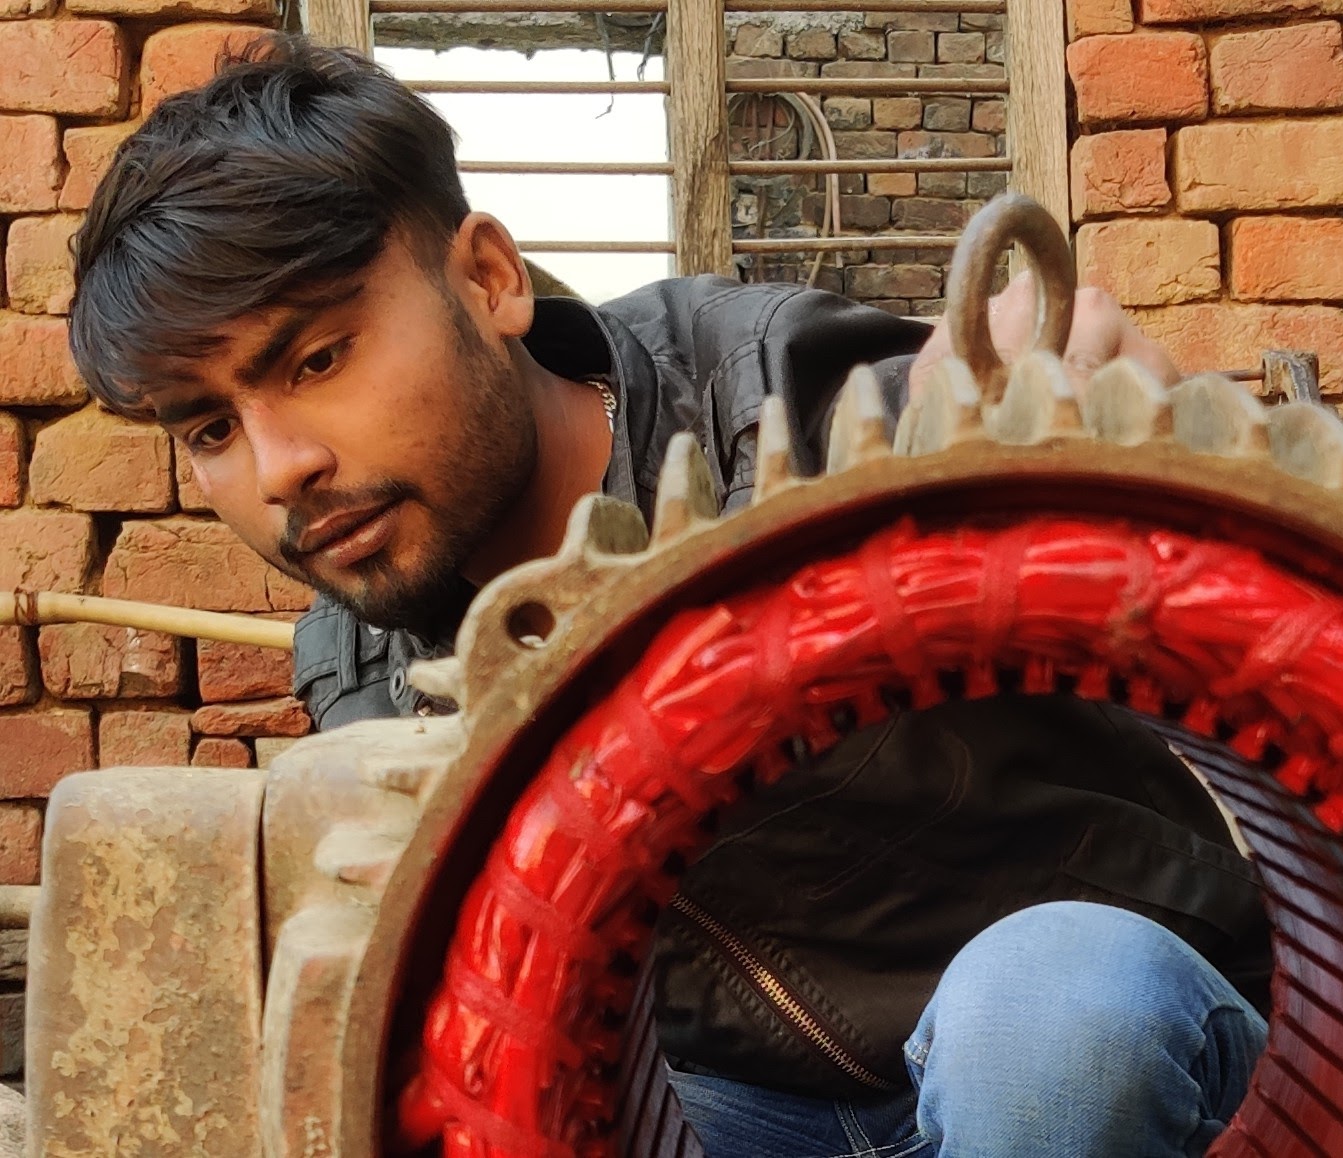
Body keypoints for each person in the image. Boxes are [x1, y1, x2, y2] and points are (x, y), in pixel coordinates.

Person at [67, 33, 1271, 1158]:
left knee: (1050, 1018)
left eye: (318, 359)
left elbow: (1213, 526)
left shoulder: (794, 408)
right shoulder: (367, 664)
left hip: (1100, 1059)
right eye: (212, 428)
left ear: (487, 277)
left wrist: (1114, 419)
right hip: (749, 1112)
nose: (280, 469)